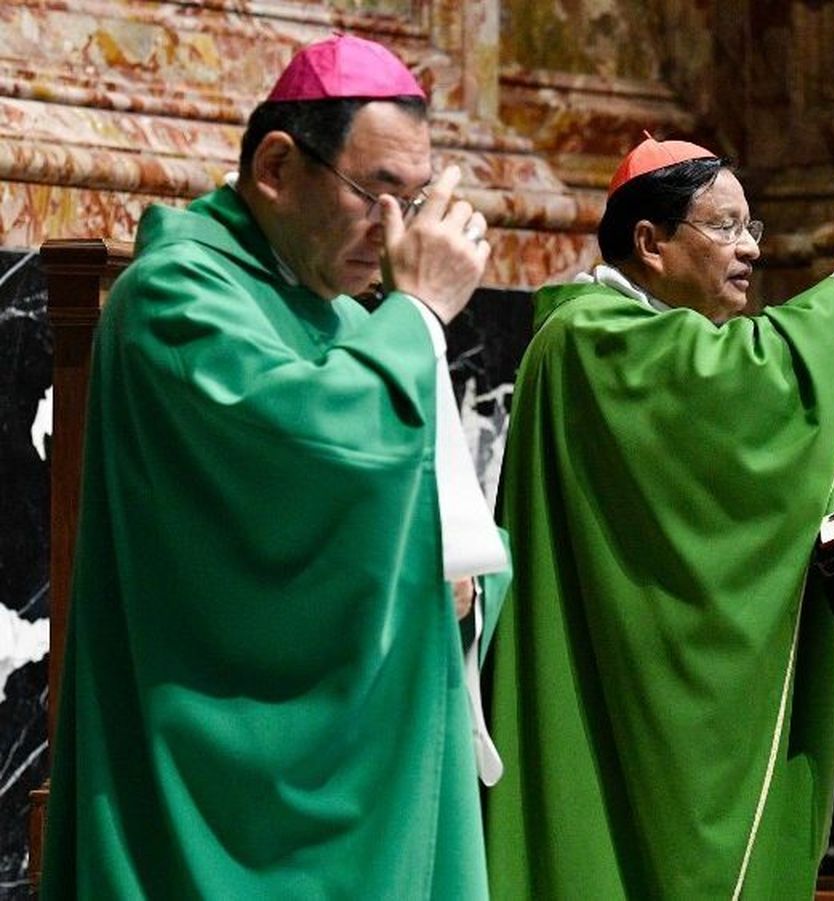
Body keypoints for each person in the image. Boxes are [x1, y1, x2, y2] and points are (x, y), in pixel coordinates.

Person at [42, 34, 509, 898]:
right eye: (377, 194)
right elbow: (303, 465)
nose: (396, 232)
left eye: (417, 200)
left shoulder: (345, 318)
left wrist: (466, 577)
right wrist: (420, 319)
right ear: (277, 167)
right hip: (219, 779)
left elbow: (429, 519)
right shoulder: (177, 299)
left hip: (357, 763)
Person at [486, 136, 834, 899]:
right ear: (649, 242)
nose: (749, 247)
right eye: (725, 226)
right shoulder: (592, 337)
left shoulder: (633, 338)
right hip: (613, 690)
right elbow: (739, 386)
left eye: (752, 227)